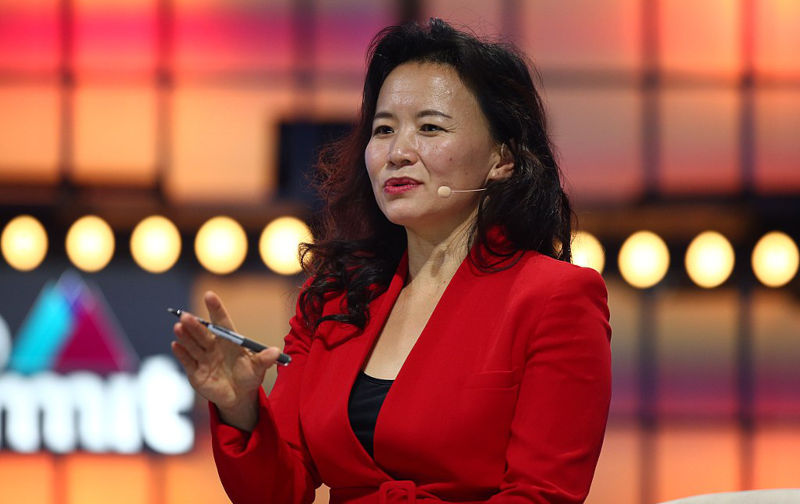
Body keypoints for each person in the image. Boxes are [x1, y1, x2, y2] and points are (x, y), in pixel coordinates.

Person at [171, 18, 611, 504]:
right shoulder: (337, 295)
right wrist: (241, 410)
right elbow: (281, 492)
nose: (398, 152)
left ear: (502, 158)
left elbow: (541, 496)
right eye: (383, 130)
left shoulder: (555, 297)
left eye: (429, 128)